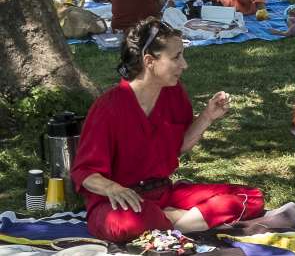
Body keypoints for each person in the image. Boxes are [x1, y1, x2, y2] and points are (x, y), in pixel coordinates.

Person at [71, 18, 265, 244]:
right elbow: (84, 172)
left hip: (163, 194)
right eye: (176, 57)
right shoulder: (109, 107)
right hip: (120, 203)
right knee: (127, 222)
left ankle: (172, 222)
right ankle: (182, 221)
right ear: (149, 61)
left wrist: (207, 117)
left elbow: (178, 146)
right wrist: (114, 189)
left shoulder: (173, 94)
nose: (184, 65)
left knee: (249, 197)